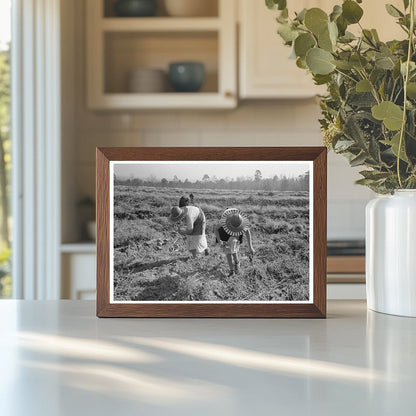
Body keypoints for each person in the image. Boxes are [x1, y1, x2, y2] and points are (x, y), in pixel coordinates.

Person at [214, 208, 255, 276]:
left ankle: (236, 262)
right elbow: (216, 229)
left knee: (234, 249)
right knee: (228, 252)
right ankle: (231, 271)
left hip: (237, 234)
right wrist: (219, 241)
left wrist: (250, 247)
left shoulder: (241, 221)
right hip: (224, 233)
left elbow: (247, 232)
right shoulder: (223, 221)